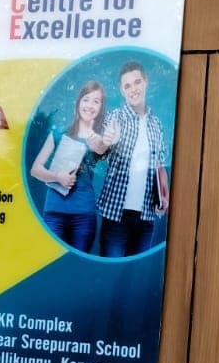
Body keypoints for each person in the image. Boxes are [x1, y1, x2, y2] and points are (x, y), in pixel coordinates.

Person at [97, 60, 170, 257]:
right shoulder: (115, 118)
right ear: (122, 90)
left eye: (137, 82)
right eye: (127, 86)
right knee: (111, 277)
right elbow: (100, 151)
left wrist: (165, 195)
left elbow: (159, 165)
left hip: (146, 217)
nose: (133, 89)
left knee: (134, 278)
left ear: (146, 82)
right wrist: (106, 141)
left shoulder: (156, 124)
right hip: (115, 216)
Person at [28, 80, 109, 253]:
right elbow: (35, 169)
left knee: (77, 269)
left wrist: (101, 146)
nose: (90, 105)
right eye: (86, 99)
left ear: (101, 108)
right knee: (52, 267)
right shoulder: (58, 135)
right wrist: (57, 177)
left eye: (96, 101)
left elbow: (104, 154)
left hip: (84, 216)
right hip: (54, 214)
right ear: (78, 102)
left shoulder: (100, 142)